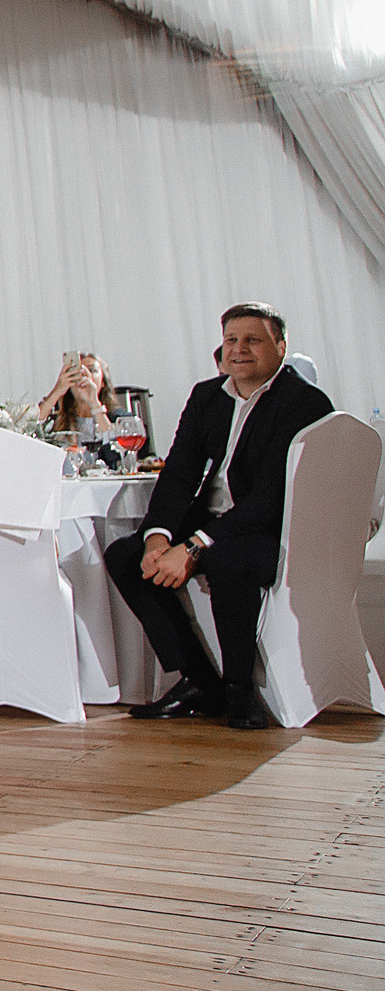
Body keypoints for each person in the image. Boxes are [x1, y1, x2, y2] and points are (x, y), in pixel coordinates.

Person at [104, 303, 333, 730]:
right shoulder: (207, 396)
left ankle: (238, 688)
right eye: (231, 340)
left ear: (281, 346)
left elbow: (271, 498)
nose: (239, 349)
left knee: (228, 559)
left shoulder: (304, 402)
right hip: (212, 520)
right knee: (126, 556)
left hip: (272, 529)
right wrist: (158, 537)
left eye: (253, 340)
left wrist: (195, 546)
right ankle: (199, 681)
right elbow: (180, 472)